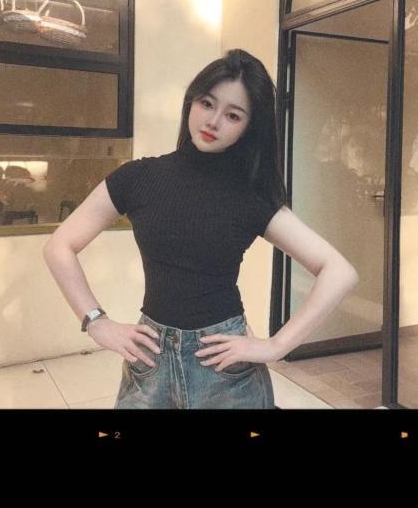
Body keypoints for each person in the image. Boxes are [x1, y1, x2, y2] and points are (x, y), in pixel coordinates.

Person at [44, 49, 358, 409]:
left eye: (233, 115)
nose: (213, 121)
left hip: (224, 365)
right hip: (150, 357)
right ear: (191, 100)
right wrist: (96, 322)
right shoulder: (138, 177)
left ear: (248, 127)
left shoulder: (251, 197)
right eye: (207, 103)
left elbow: (339, 272)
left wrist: (277, 346)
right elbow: (59, 246)